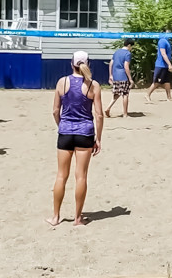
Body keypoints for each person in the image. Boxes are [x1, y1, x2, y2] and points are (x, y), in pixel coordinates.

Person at [47, 51, 104, 227]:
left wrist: (61, 126)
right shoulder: (93, 85)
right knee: (81, 177)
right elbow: (99, 115)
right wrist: (99, 138)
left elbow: (55, 111)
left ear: (71, 64)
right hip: (85, 133)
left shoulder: (62, 82)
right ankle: (78, 218)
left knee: (61, 176)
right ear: (88, 64)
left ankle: (56, 217)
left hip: (65, 132)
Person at [107, 38, 135, 118]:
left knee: (116, 94)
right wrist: (130, 79)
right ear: (129, 45)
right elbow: (126, 66)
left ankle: (108, 108)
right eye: (131, 46)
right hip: (123, 76)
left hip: (115, 75)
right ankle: (125, 114)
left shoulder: (117, 52)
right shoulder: (127, 54)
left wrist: (110, 75)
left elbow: (111, 63)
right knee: (125, 94)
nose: (131, 48)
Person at [146, 26, 172, 102]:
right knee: (157, 82)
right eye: (168, 31)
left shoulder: (168, 41)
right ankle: (147, 95)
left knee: (167, 81)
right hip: (160, 65)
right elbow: (163, 54)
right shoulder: (162, 41)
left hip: (165, 65)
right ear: (164, 32)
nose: (170, 33)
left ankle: (169, 97)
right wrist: (169, 64)